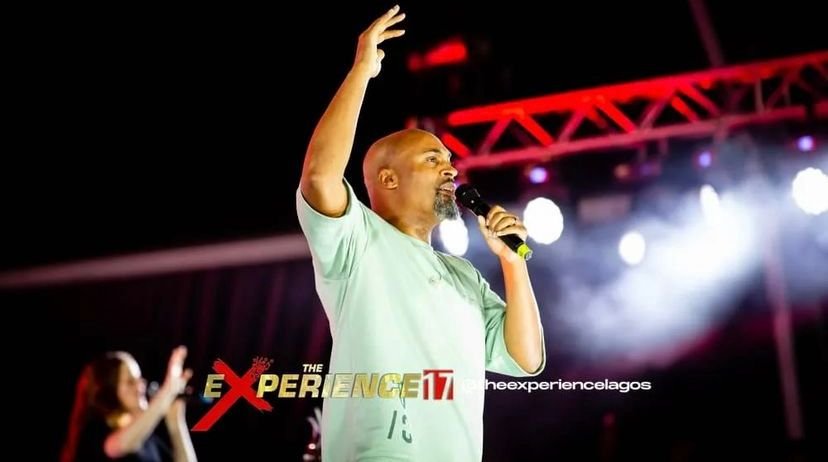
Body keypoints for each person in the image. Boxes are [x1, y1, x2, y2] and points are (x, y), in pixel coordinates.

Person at [296, 5, 545, 461]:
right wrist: (362, 71)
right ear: (388, 178)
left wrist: (513, 264)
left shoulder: (465, 276)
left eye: (449, 160)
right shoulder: (358, 241)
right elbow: (318, 176)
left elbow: (524, 359)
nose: (450, 169)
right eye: (432, 159)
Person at [61, 346, 198, 462]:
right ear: (109, 392)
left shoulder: (148, 439)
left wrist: (175, 422)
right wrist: (167, 391)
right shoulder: (95, 431)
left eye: (139, 379)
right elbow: (118, 447)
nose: (141, 385)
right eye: (130, 382)